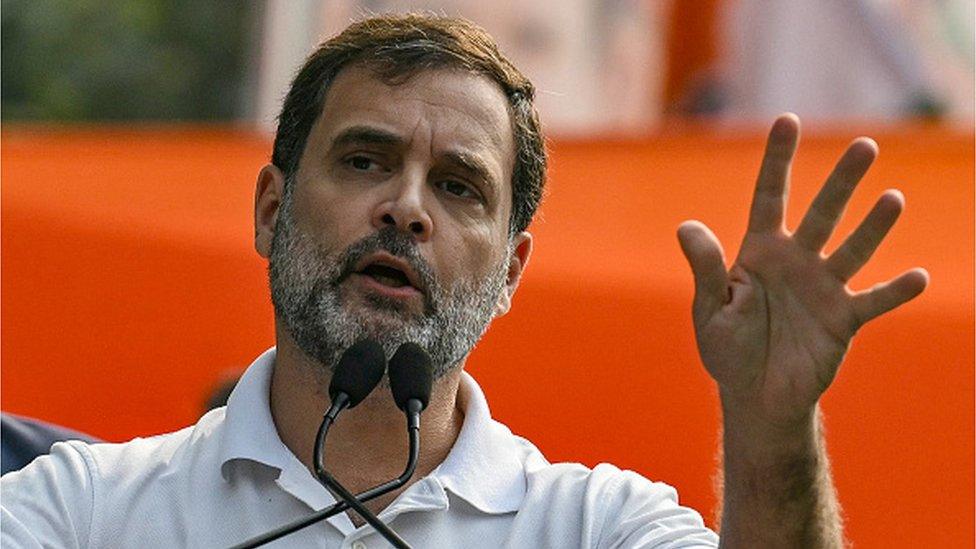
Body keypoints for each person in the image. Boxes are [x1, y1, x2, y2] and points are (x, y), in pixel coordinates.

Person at [1, 14, 927, 548]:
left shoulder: (594, 526)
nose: (407, 209)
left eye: (458, 187)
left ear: (513, 268)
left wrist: (772, 426)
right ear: (270, 209)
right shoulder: (80, 509)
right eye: (365, 161)